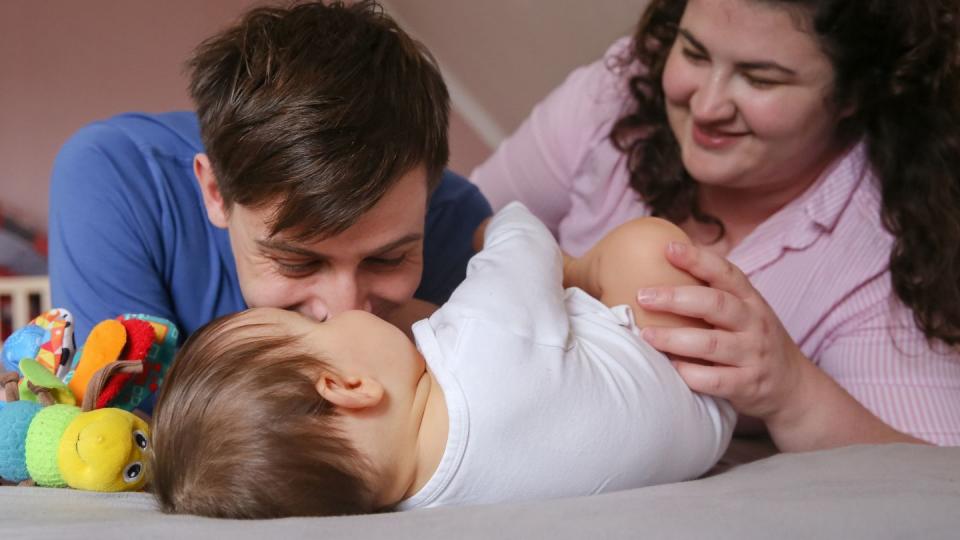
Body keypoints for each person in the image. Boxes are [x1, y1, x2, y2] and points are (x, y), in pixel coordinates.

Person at [470, 0, 960, 450]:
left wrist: (792, 391)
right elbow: (463, 223)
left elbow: (932, 488)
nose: (706, 107)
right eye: (695, 53)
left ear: (855, 92)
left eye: (761, 79)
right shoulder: (615, 98)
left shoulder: (888, 250)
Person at [150, 202, 735, 518]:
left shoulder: (413, 504)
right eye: (311, 325)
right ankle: (584, 275)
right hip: (692, 381)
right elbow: (525, 238)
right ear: (349, 385)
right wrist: (495, 230)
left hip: (682, 446)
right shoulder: (477, 340)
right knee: (645, 244)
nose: (341, 308)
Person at [47, 2, 491, 365]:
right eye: (297, 263)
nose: (344, 312)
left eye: (388, 259)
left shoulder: (458, 221)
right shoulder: (115, 179)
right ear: (216, 193)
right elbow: (123, 441)